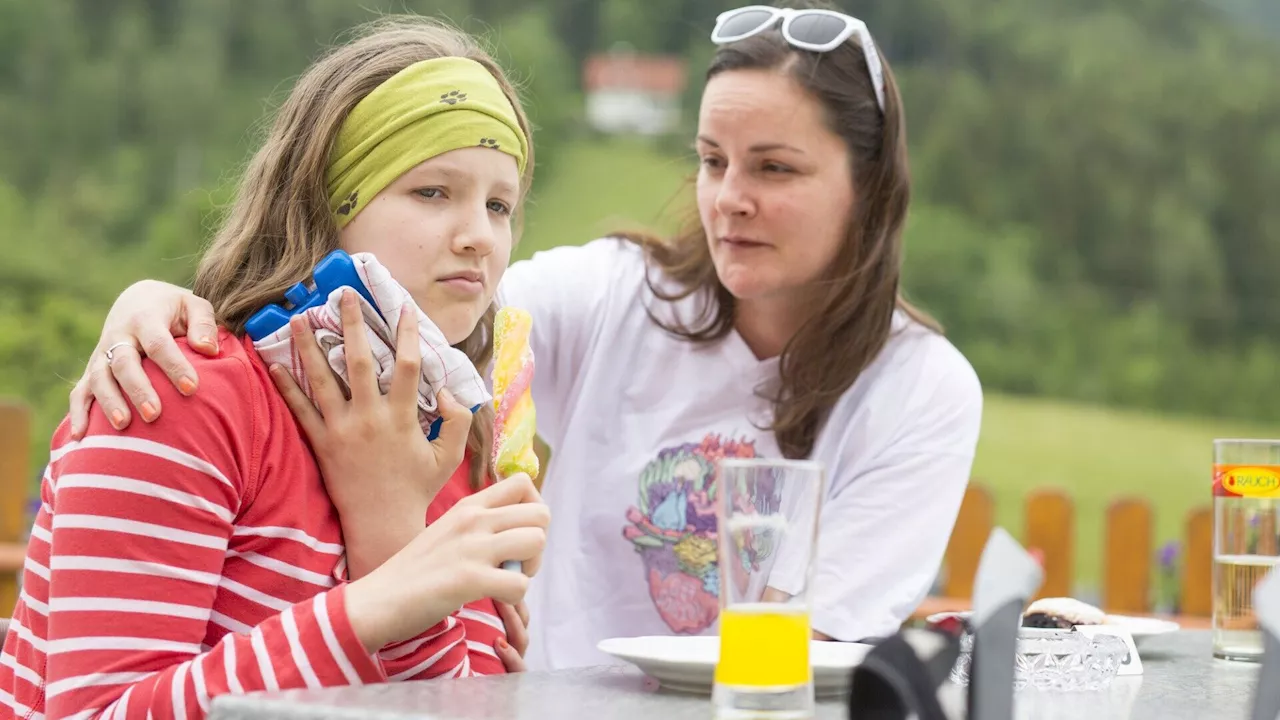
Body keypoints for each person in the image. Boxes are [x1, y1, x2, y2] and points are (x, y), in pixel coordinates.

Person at [67, 1, 983, 671]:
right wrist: (163, 301)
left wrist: (411, 567)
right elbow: (426, 307)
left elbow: (803, 654)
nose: (728, 198)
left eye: (774, 167)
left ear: (870, 186)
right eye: (711, 161)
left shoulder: (920, 390)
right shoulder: (619, 296)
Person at [2, 16, 551, 718]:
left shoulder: (456, 451)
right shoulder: (178, 392)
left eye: (500, 204)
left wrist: (390, 530)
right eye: (432, 192)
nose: (480, 236)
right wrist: (375, 604)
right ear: (327, 206)